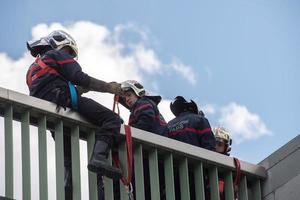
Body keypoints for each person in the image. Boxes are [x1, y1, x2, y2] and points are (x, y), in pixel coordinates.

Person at [26, 30, 123, 199]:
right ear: (59, 44)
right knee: (112, 119)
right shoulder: (56, 54)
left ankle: (67, 191)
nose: (69, 56)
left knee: (68, 155)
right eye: (69, 51)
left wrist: (77, 91)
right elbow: (79, 77)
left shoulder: (33, 67)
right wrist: (109, 87)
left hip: (49, 110)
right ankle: (99, 157)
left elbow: (47, 86)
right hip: (62, 100)